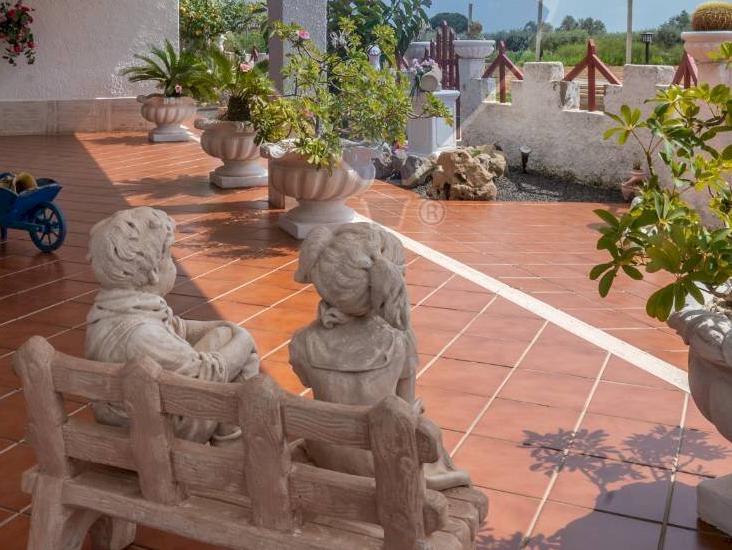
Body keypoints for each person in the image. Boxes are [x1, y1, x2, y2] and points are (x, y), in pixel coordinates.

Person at [289, 222, 470, 490]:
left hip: (328, 457)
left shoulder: (304, 343)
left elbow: (308, 382)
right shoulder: (400, 342)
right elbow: (405, 412)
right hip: (385, 467)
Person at [83, 206, 258, 442]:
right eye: (169, 257)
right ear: (153, 271)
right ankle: (232, 445)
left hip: (132, 419)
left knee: (225, 336)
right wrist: (243, 340)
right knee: (237, 356)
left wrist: (225, 329)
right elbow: (206, 375)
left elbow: (177, 328)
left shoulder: (111, 312)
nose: (174, 264)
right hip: (158, 432)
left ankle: (232, 441)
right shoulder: (141, 334)